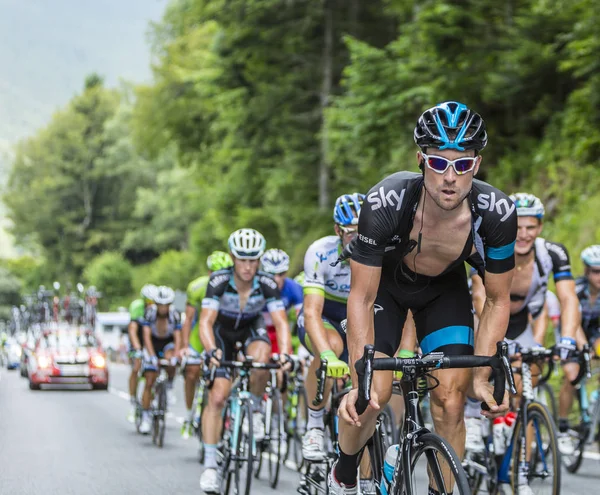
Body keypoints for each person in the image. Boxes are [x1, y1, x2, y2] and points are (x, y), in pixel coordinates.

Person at [330, 101, 517, 495]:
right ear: (421, 160)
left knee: (451, 402)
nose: (450, 177)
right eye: (438, 163)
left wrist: (482, 377)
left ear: (476, 166)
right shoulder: (386, 202)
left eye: (462, 165)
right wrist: (357, 374)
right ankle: (345, 474)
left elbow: (498, 300)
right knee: (372, 397)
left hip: (443, 292)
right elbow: (361, 297)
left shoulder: (496, 214)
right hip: (386, 290)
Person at [471, 193, 580, 473]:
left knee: (526, 382)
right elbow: (480, 298)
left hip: (520, 323)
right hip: (485, 318)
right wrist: (496, 340)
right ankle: (477, 422)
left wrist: (567, 338)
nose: (523, 234)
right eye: (518, 226)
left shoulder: (552, 254)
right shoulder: (488, 245)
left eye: (531, 227)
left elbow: (568, 299)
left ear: (540, 227)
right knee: (475, 370)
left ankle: (520, 457)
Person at [198, 228, 292, 493]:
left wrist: (284, 352)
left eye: (253, 260)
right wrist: (210, 350)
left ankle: (255, 410)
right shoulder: (218, 281)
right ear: (232, 258)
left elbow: (281, 322)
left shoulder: (267, 283)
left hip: (251, 329)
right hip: (222, 335)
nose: (248, 266)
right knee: (217, 397)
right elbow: (205, 322)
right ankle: (209, 466)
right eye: (242, 259)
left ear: (260, 259)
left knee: (263, 358)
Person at [297, 193, 363, 461]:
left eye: (364, 231)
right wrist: (326, 355)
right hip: (325, 316)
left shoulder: (381, 250)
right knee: (332, 346)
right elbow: (312, 312)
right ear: (338, 230)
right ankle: (314, 425)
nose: (357, 239)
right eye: (350, 233)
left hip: (358, 317)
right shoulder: (320, 252)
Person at [179, 251, 233, 439]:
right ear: (209, 272)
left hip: (223, 335)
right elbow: (189, 320)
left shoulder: (235, 286)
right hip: (199, 336)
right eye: (214, 272)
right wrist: (185, 346)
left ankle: (227, 415)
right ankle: (188, 414)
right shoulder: (197, 287)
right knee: (191, 372)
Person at [139, 286, 182, 434]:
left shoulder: (175, 315)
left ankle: (169, 386)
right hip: (152, 342)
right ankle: (145, 416)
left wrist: (176, 355)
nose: (163, 308)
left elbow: (178, 338)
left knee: (171, 359)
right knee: (149, 380)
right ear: (156, 304)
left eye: (166, 305)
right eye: (160, 305)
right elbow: (146, 336)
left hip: (167, 343)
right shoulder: (149, 313)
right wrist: (151, 356)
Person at [260, 248, 303, 354]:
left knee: (285, 363)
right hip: (258, 330)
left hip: (281, 330)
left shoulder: (294, 288)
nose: (276, 279)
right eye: (271, 274)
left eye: (281, 273)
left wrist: (304, 346)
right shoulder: (255, 286)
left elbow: (303, 320)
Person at [126, 284, 156, 423]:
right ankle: (132, 399)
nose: (151, 305)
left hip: (151, 338)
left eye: (153, 302)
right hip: (137, 338)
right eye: (149, 302)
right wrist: (138, 349)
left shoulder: (159, 309)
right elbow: (133, 330)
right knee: (136, 367)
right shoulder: (137, 307)